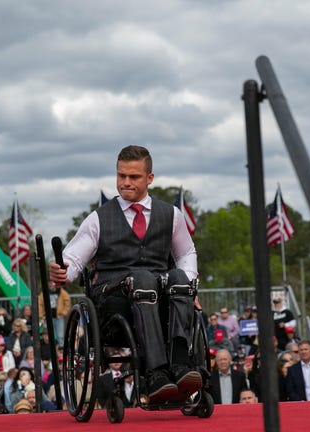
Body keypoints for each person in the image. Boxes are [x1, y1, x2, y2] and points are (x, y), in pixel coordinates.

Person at [48, 145, 200, 404]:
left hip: (160, 296)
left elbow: (186, 254)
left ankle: (180, 366)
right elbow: (73, 259)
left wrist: (189, 285)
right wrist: (63, 271)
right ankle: (155, 374)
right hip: (114, 302)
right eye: (121, 176)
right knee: (142, 279)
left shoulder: (171, 215)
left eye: (134, 177)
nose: (125, 182)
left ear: (149, 178)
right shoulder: (98, 219)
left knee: (178, 278)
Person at [38, 282, 71, 346]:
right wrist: (41, 316)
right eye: (50, 283)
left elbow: (67, 303)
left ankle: (61, 350)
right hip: (47, 317)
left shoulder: (62, 292)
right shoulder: (44, 293)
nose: (52, 285)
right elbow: (40, 304)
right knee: (47, 334)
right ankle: (48, 349)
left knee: (60, 336)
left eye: (53, 284)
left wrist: (63, 313)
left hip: (59, 317)